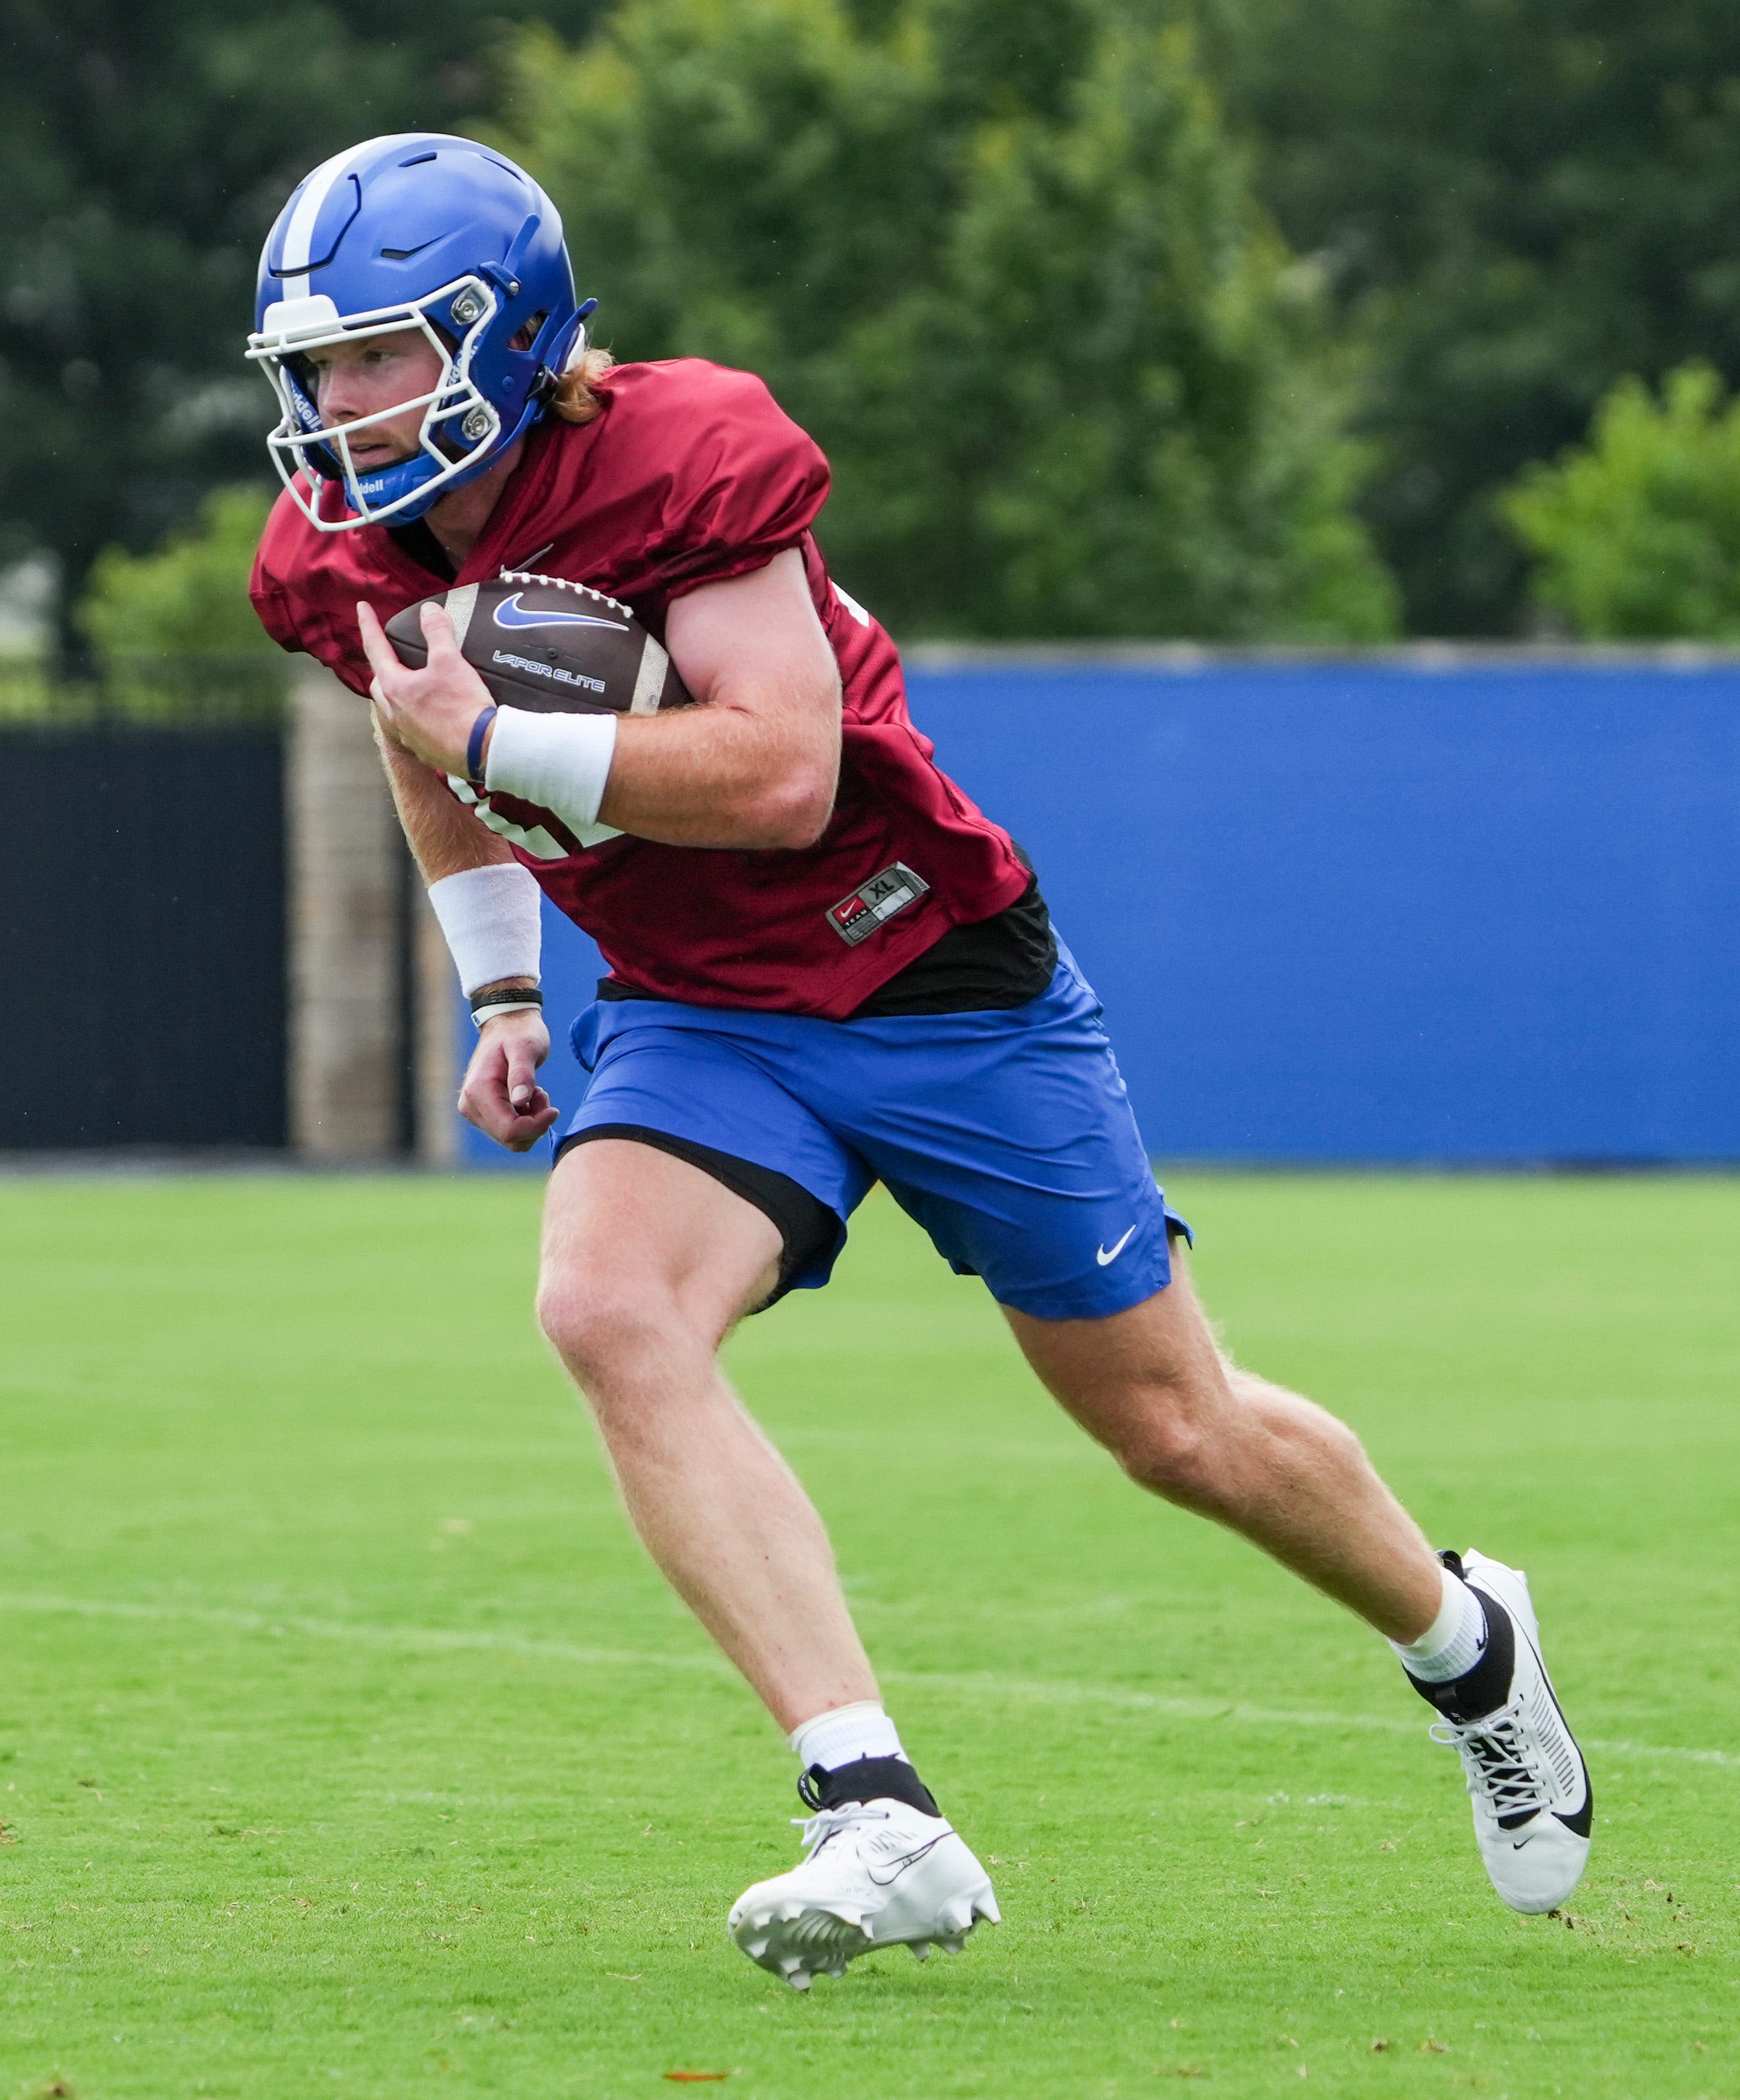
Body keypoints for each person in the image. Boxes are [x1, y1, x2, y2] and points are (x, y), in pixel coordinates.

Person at [247, 133, 1591, 1989]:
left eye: (382, 353)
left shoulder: (680, 452)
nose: (341, 405)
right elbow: (419, 727)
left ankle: (1471, 1647)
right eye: (316, 368)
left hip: (929, 971)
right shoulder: (329, 549)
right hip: (702, 1013)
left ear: (511, 335)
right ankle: (871, 1804)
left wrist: (506, 732)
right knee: (609, 1310)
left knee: (1173, 1427)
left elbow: (780, 771)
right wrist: (501, 991)